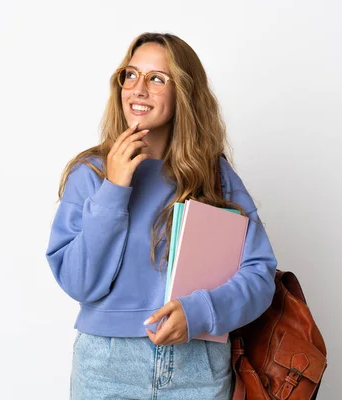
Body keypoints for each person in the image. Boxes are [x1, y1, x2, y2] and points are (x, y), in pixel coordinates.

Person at [45, 32, 277, 400]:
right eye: (131, 75)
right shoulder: (90, 173)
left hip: (198, 366)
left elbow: (260, 275)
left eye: (156, 79)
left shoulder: (212, 176)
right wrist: (115, 188)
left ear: (183, 92)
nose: (138, 89)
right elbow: (79, 283)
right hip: (107, 369)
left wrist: (200, 311)